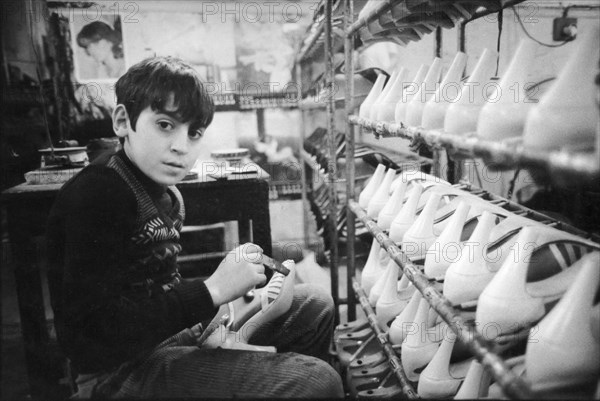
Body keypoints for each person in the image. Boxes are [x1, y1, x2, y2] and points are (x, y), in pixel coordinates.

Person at [46, 56, 344, 399]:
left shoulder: (166, 192)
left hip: (166, 340)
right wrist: (212, 291)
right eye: (164, 125)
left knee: (316, 305)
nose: (181, 146)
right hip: (115, 374)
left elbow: (157, 289)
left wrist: (226, 293)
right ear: (122, 121)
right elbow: (85, 339)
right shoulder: (98, 194)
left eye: (194, 132)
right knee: (319, 382)